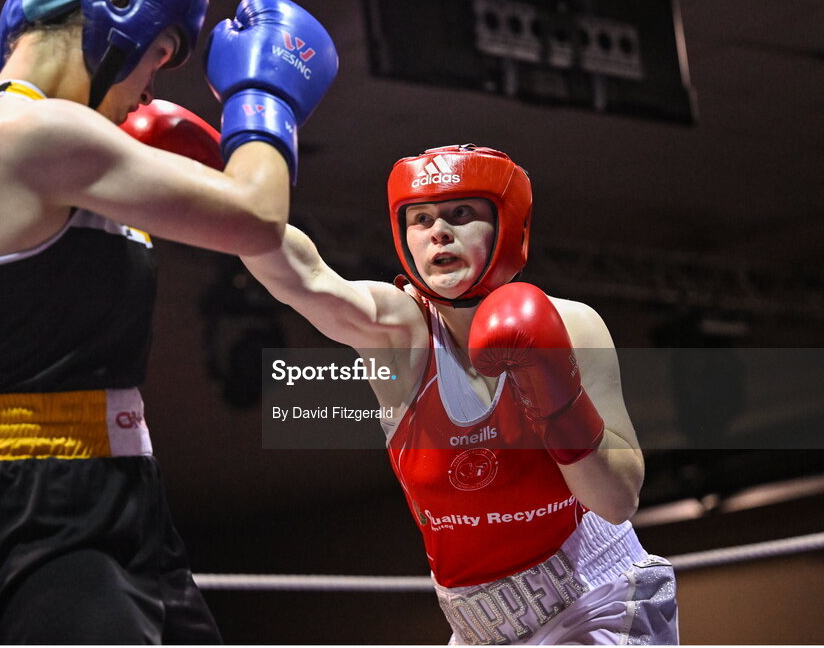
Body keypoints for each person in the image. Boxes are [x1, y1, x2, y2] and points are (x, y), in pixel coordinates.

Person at [0, 0, 337, 644]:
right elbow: (258, 216)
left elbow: (271, 244)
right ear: (115, 10)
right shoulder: (27, 135)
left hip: (117, 493)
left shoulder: (57, 148)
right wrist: (264, 100)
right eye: (159, 56)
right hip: (43, 502)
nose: (148, 87)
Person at [242, 144, 679, 644]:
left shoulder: (573, 323)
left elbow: (618, 499)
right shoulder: (398, 334)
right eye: (421, 219)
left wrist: (556, 398)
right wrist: (234, 166)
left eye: (460, 213)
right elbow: (305, 277)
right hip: (475, 629)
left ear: (508, 224)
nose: (438, 232)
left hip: (595, 595)